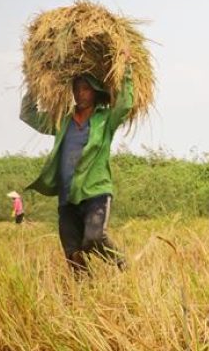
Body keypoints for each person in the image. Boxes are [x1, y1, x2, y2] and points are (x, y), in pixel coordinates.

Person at [20, 49, 133, 272]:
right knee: (73, 253)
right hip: (67, 196)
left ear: (95, 92)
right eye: (76, 89)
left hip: (95, 192)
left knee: (93, 239)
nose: (80, 94)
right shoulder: (62, 121)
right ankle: (85, 296)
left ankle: (122, 264)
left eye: (85, 89)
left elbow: (125, 105)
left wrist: (126, 69)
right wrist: (33, 82)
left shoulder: (105, 120)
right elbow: (28, 115)